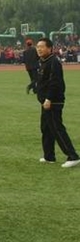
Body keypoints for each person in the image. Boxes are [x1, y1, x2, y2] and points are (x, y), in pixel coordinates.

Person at [35, 38, 80, 168]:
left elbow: (55, 82)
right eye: (38, 47)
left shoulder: (53, 61)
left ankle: (73, 156)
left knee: (56, 128)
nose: (39, 49)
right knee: (46, 128)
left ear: (50, 48)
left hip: (53, 101)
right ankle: (49, 156)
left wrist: (49, 98)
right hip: (44, 101)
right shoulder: (43, 62)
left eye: (42, 47)